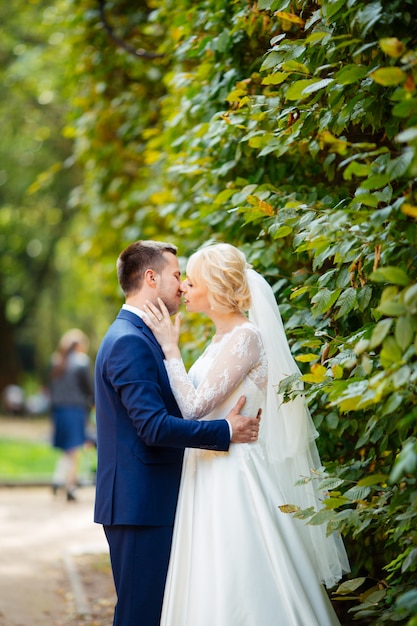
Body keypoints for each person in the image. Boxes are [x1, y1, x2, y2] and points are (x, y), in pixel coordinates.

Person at [143, 242, 350, 626]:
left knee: (240, 572)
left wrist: (171, 351)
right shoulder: (220, 340)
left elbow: (193, 408)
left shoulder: (246, 337)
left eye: (192, 280)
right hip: (206, 468)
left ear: (215, 286)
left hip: (234, 474)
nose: (184, 288)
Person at [93, 240, 260, 626]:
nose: (182, 284)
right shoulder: (130, 342)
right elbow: (152, 427)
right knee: (140, 615)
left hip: (153, 501)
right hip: (140, 506)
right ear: (151, 278)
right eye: (176, 274)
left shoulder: (143, 335)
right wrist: (224, 431)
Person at [49, 328, 94, 501]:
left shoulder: (55, 361)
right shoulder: (81, 362)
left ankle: (58, 480)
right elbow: (89, 388)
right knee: (74, 448)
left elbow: (51, 389)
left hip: (59, 410)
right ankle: (70, 486)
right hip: (75, 410)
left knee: (67, 448)